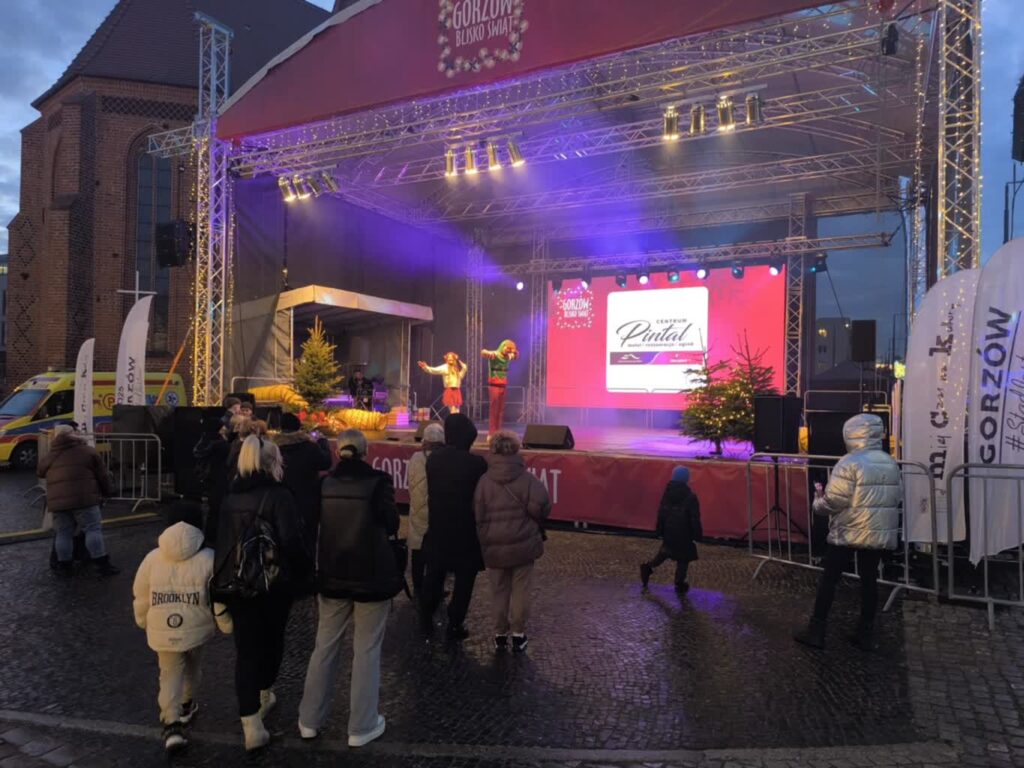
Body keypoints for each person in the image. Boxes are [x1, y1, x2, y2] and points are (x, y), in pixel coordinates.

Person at [297, 430, 401, 748]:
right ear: (365, 451)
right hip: (371, 576)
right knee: (366, 650)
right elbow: (392, 523)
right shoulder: (379, 482)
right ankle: (362, 725)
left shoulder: (324, 484)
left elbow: (312, 523)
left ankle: (309, 720)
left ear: (337, 451)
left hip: (332, 574)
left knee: (324, 647)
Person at [213, 435, 309, 751]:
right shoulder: (280, 496)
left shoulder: (230, 496)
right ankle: (264, 692)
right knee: (272, 642)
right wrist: (305, 574)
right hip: (273, 584)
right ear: (273, 464)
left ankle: (250, 722)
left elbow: (221, 540)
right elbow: (291, 541)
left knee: (246, 651)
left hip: (238, 584)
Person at [793, 413, 901, 652]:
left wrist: (817, 503)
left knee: (830, 579)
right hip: (875, 532)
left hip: (848, 530)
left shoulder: (849, 462)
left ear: (850, 434)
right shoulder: (890, 462)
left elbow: (834, 500)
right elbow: (897, 496)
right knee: (869, 580)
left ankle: (817, 629)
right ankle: (865, 633)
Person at [132, 502, 233, 752]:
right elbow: (218, 597)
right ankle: (187, 703)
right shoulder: (208, 558)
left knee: (169, 673)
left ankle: (171, 721)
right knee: (193, 668)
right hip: (196, 627)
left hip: (162, 628)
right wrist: (225, 623)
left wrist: (142, 619)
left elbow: (141, 594)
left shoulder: (152, 558)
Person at [473, 430, 551, 653]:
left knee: (498, 590)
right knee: (521, 590)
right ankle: (518, 633)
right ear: (516, 450)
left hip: (494, 544)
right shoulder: (528, 480)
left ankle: (499, 634)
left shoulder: (484, 482)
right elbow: (543, 506)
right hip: (522, 544)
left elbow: (478, 514)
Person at [420, 413, 488, 641]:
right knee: (464, 581)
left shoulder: (434, 460)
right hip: (465, 530)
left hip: (438, 526)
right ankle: (455, 623)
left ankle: (426, 616)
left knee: (434, 575)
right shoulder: (477, 464)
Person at [38, 424, 118, 577]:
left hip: (58, 502)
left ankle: (64, 566)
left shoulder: (51, 455)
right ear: (74, 434)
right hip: (84, 498)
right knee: (92, 529)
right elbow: (102, 475)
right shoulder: (87, 451)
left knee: (63, 533)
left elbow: (40, 471)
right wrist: (108, 492)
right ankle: (101, 564)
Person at [272, 413, 333, 549]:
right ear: (298, 427)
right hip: (307, 502)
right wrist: (323, 443)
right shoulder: (309, 447)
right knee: (308, 540)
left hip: (281, 502)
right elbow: (326, 463)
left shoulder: (274, 448)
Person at [640, 466, 702, 594]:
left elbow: (661, 512)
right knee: (684, 557)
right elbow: (694, 518)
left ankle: (648, 567)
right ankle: (679, 582)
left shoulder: (667, 494)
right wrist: (697, 534)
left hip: (669, 529)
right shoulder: (691, 497)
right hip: (684, 532)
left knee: (665, 552)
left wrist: (659, 530)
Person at [407, 423, 444, 595]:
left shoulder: (415, 458)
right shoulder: (444, 459)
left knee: (417, 550)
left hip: (417, 509)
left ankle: (418, 587)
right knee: (436, 552)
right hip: (436, 511)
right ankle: (434, 589)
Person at [480, 340, 519, 437]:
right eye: (507, 348)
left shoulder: (508, 357)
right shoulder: (495, 355)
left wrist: (513, 350)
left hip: (503, 386)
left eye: (510, 349)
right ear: (502, 346)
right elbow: (483, 352)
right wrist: (487, 352)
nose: (508, 350)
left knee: (500, 411)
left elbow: (516, 355)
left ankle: (498, 432)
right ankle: (491, 433)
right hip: (494, 386)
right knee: (494, 410)